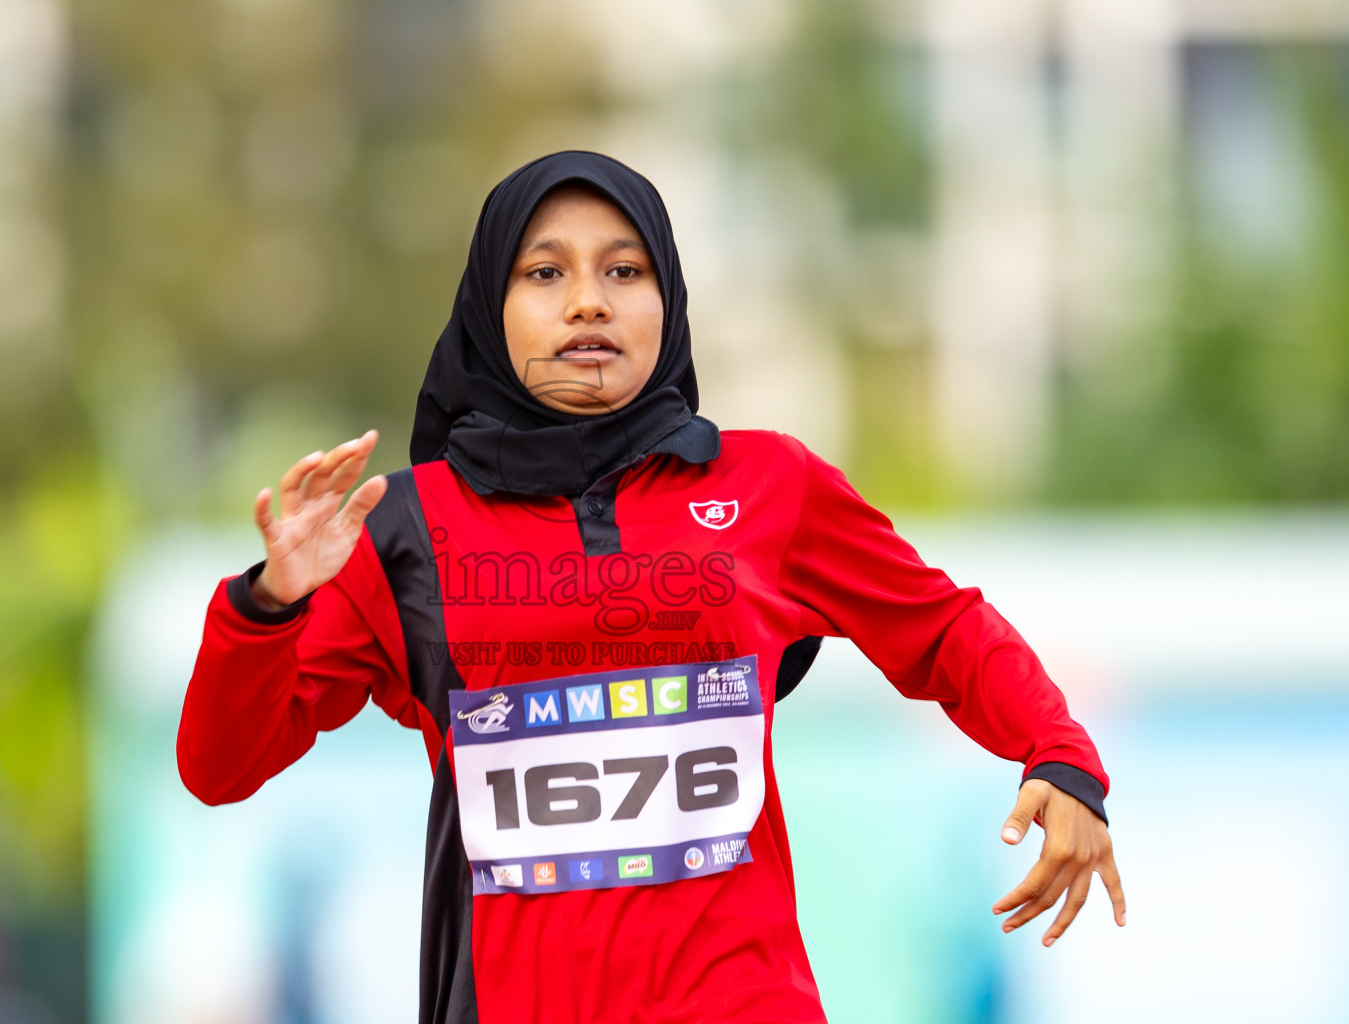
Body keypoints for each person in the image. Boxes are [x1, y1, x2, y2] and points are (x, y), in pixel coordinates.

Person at [178, 151, 1125, 1024]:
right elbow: (220, 768)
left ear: (667, 298)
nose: (588, 302)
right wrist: (269, 604)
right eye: (545, 273)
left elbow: (940, 626)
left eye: (624, 271)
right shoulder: (399, 526)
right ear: (486, 307)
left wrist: (1060, 754)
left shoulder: (770, 487)